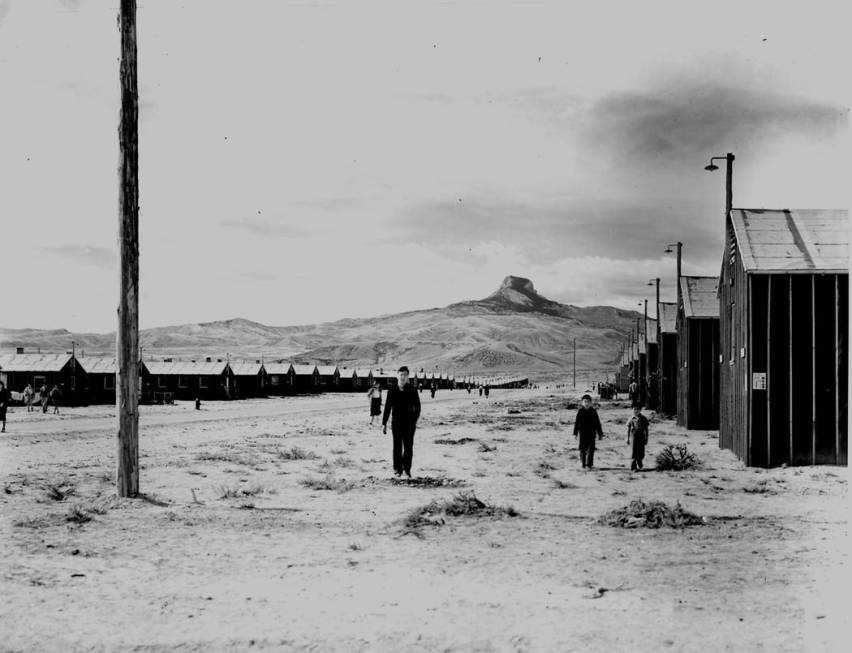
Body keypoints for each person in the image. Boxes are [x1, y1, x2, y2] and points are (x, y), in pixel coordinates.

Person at [382, 366, 421, 478]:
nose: (403, 377)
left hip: (409, 423)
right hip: (396, 423)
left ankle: (407, 469)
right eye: (401, 374)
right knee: (397, 446)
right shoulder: (392, 390)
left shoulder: (412, 390)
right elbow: (387, 407)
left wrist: (414, 419)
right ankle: (397, 469)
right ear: (397, 375)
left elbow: (417, 406)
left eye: (405, 375)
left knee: (408, 447)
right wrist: (384, 423)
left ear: (408, 376)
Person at [573, 393, 604, 470]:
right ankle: (583, 463)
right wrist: (575, 433)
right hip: (582, 433)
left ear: (591, 403)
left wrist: (600, 433)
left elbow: (597, 423)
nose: (586, 403)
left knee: (591, 449)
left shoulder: (593, 412)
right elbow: (577, 423)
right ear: (582, 403)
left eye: (588, 402)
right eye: (585, 402)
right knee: (582, 449)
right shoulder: (580, 412)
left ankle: (589, 464)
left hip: (591, 433)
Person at [627, 405, 650, 471]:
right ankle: (633, 466)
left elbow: (646, 429)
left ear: (640, 410)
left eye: (637, 409)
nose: (636, 411)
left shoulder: (643, 418)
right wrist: (628, 438)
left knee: (641, 451)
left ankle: (639, 461)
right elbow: (628, 429)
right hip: (634, 437)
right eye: (634, 409)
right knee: (634, 451)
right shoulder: (631, 418)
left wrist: (646, 438)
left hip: (641, 437)